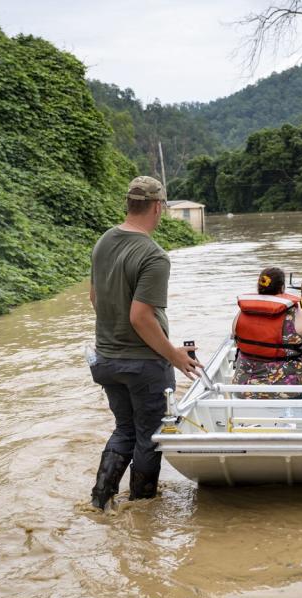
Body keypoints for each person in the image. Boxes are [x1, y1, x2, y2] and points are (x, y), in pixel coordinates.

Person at [87, 176, 203, 511]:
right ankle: (142, 510)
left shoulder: (104, 241)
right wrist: (176, 356)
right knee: (150, 437)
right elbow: (141, 317)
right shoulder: (154, 255)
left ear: (129, 204)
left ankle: (100, 501)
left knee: (124, 429)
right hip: (143, 364)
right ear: (158, 207)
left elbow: (95, 298)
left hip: (107, 359)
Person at [232, 267, 302, 397]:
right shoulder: (298, 314)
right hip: (288, 391)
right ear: (282, 288)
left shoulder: (241, 314)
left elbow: (236, 341)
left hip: (244, 389)